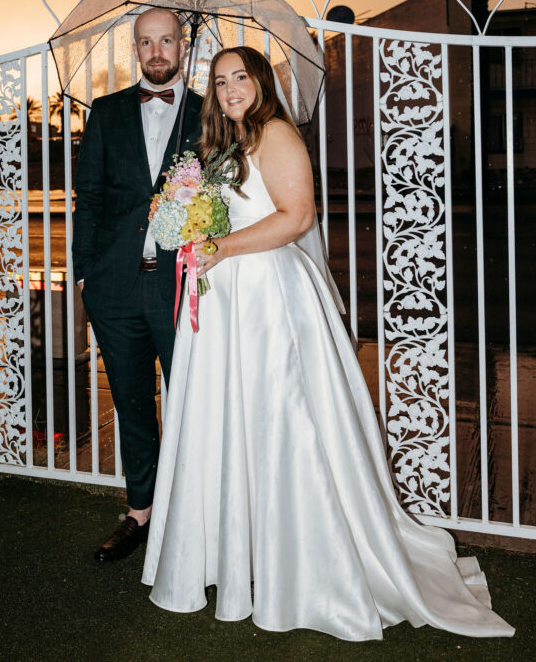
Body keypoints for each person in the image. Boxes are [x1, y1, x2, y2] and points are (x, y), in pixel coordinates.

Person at [142, 46, 514, 640]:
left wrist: (222, 247)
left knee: (280, 424)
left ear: (261, 82)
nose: (231, 88)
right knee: (230, 424)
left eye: (241, 76)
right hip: (226, 299)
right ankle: (238, 551)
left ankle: (296, 557)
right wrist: (188, 223)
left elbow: (297, 216)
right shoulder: (222, 145)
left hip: (268, 297)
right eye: (219, 81)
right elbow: (223, 216)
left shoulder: (276, 135)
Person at [73, 7, 203, 563]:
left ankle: (197, 514)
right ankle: (140, 514)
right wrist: (84, 275)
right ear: (136, 49)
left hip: (183, 286)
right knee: (131, 405)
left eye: (165, 41)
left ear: (183, 45)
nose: (156, 52)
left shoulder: (209, 111)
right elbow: (91, 199)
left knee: (195, 401)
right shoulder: (105, 111)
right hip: (115, 288)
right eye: (146, 42)